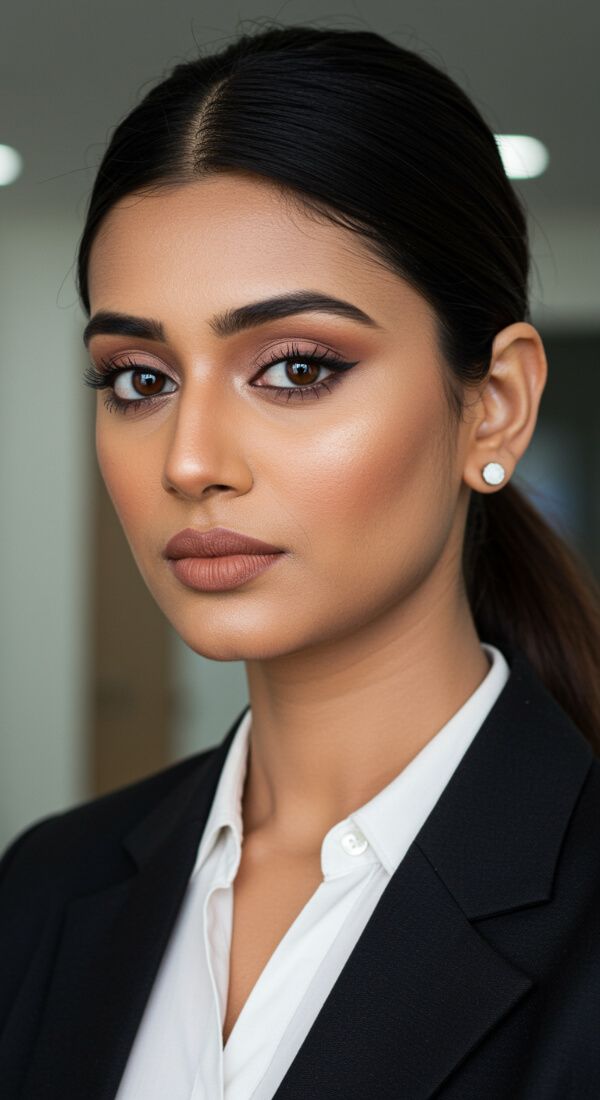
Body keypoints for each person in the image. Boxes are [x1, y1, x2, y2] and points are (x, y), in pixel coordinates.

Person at [1, 21, 599, 1100]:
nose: (189, 460)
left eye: (296, 367)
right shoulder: (45, 887)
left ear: (495, 407)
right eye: (138, 378)